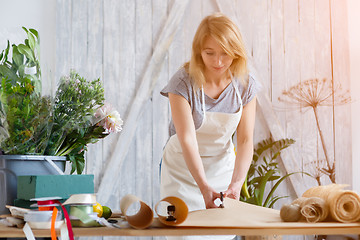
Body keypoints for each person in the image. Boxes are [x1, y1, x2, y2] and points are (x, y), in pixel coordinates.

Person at [160, 12, 259, 239]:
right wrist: (204, 187)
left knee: (219, 234)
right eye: (209, 53)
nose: (218, 62)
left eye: (226, 54)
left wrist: (235, 184)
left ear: (236, 52)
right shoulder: (182, 82)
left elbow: (244, 140)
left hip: (221, 169)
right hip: (181, 170)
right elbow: (187, 139)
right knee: (182, 233)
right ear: (198, 52)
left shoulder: (245, 85)